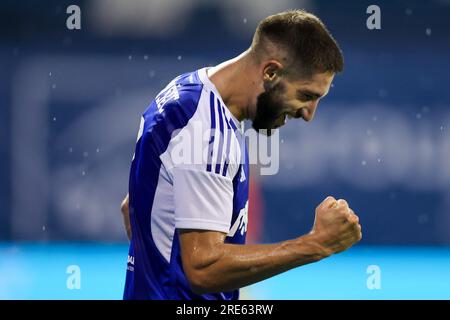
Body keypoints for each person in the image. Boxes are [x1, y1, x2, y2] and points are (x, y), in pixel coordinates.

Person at [121, 9, 362, 300]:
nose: (308, 114)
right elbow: (203, 270)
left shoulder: (187, 92)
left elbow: (134, 206)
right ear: (271, 72)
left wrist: (154, 279)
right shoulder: (207, 131)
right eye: (307, 95)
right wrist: (315, 244)